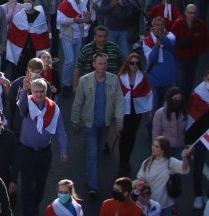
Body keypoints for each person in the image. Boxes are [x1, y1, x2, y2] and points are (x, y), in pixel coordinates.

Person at [71, 52, 124, 199]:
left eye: (105, 63)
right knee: (93, 153)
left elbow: (120, 99)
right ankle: (92, 185)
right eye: (100, 63)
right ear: (94, 64)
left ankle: (91, 171)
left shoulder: (113, 80)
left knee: (98, 150)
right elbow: (78, 102)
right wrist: (75, 121)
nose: (102, 66)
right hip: (90, 124)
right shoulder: (84, 80)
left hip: (105, 124)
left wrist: (119, 119)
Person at [16, 78, 68, 216]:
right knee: (27, 185)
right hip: (26, 151)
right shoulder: (27, 103)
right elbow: (20, 105)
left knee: (40, 186)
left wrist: (63, 150)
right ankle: (30, 212)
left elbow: (60, 131)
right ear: (31, 92)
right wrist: (24, 90)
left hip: (44, 153)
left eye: (41, 91)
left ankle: (33, 207)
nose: (38, 94)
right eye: (35, 92)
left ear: (46, 92)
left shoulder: (53, 108)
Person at [136, 137, 191, 213]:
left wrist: (184, 157)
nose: (153, 148)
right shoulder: (147, 162)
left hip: (165, 206)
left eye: (156, 146)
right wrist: (141, 182)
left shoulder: (171, 162)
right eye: (153, 145)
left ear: (163, 149)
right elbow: (140, 179)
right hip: (149, 204)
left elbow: (185, 169)